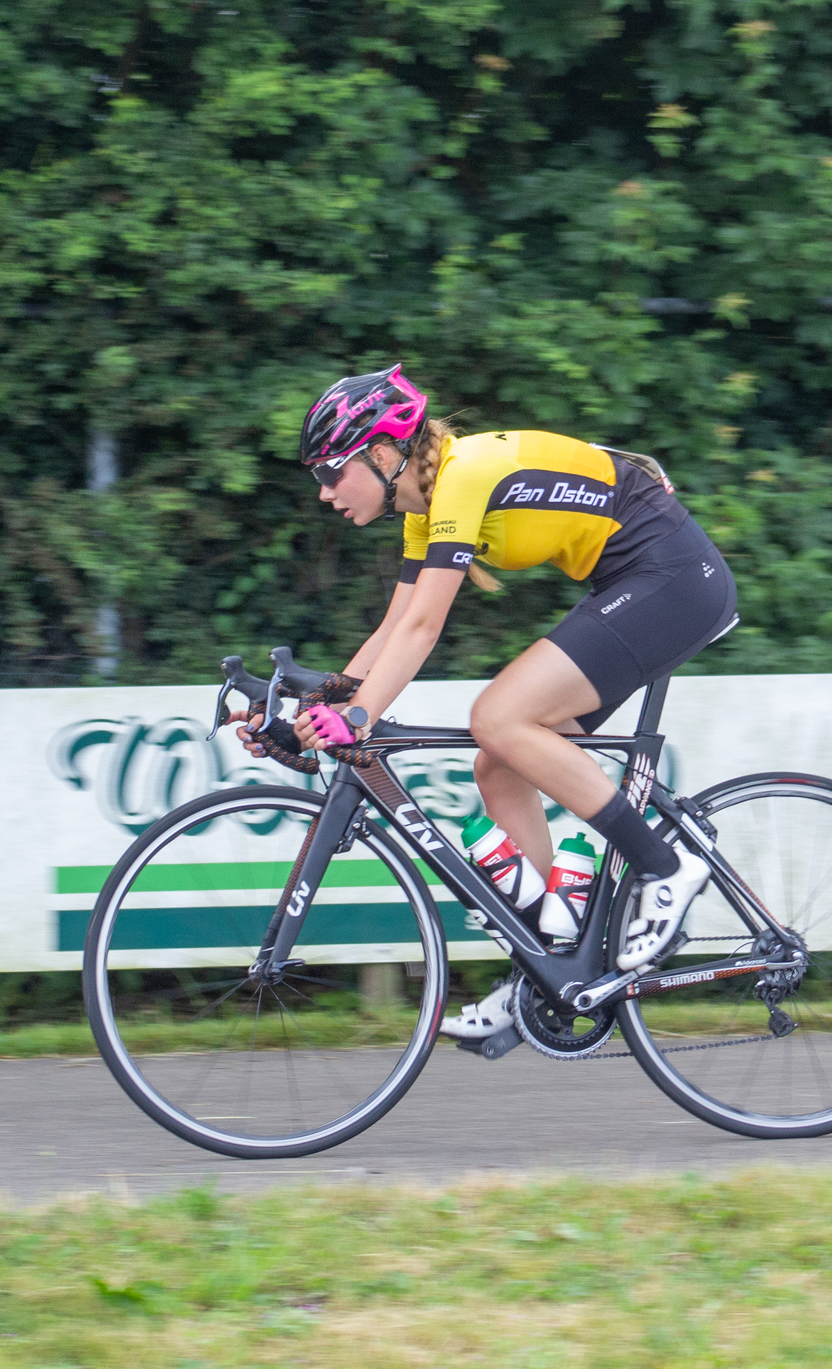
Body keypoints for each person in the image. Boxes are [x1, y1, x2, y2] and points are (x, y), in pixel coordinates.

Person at [268, 364, 738, 1040]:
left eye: (327, 472)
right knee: (499, 763)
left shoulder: (460, 478)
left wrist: (357, 716)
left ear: (379, 453)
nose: (321, 493)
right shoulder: (424, 500)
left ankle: (667, 867)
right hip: (638, 579)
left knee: (497, 719)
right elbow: (394, 629)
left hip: (671, 578)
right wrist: (318, 704)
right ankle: (553, 968)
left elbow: (426, 629)